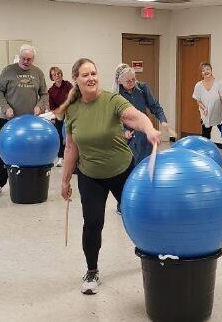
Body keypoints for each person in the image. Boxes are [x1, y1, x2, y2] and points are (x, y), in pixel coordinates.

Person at [56, 58, 161, 295]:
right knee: (92, 223)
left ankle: (154, 253)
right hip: (90, 174)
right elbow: (71, 147)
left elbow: (134, 115)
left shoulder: (111, 100)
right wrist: (64, 181)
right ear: (76, 80)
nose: (91, 78)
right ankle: (91, 270)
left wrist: (149, 128)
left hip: (122, 169)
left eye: (94, 73)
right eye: (85, 75)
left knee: (138, 215)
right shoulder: (72, 109)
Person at [0, 44, 48, 194]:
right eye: (23, 58)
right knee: (5, 149)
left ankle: (27, 183)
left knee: (29, 150)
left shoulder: (38, 73)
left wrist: (40, 106)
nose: (26, 61)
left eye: (29, 59)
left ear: (33, 59)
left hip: (30, 121)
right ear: (19, 57)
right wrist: (6, 107)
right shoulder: (8, 71)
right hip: (9, 119)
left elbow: (44, 94)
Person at [114, 63, 170, 165]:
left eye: (133, 79)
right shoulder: (116, 96)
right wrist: (124, 131)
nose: (132, 82)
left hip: (144, 135)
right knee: (131, 167)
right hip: (129, 138)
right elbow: (114, 119)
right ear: (120, 81)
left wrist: (163, 120)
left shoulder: (142, 88)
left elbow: (155, 107)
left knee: (147, 164)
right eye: (128, 81)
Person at [192, 62, 222, 139]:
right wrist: (204, 108)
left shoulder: (219, 83)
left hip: (219, 113)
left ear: (211, 71)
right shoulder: (198, 85)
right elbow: (198, 101)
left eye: (208, 69)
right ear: (201, 73)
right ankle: (206, 150)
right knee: (206, 137)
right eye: (203, 70)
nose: (206, 72)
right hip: (206, 114)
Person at [48, 66, 73, 167]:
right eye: (54, 75)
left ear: (61, 74)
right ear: (52, 77)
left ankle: (73, 157)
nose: (57, 76)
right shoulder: (51, 91)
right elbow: (52, 107)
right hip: (59, 115)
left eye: (58, 74)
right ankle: (60, 158)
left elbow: (73, 97)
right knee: (60, 136)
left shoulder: (68, 85)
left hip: (71, 113)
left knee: (71, 136)